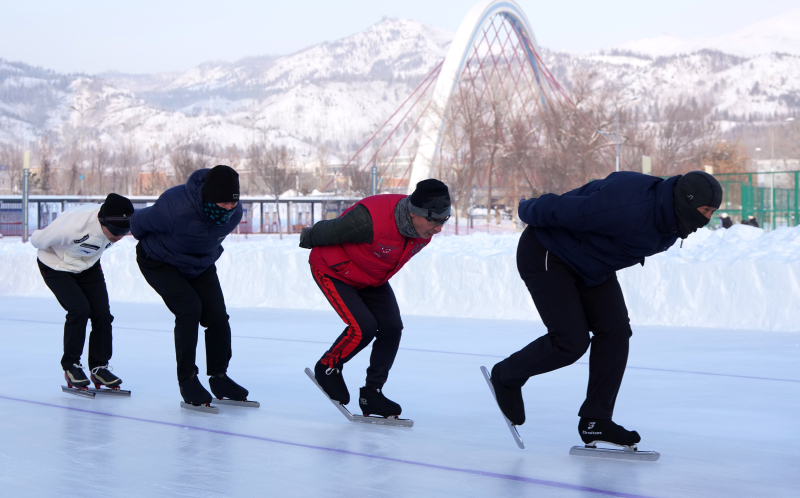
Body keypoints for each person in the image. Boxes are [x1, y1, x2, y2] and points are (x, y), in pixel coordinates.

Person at [490, 170, 722, 447]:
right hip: (547, 252)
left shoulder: (670, 221)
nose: (707, 219)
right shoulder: (627, 206)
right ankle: (506, 375)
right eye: (706, 209)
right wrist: (527, 208)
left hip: (592, 266)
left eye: (713, 212)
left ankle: (595, 421)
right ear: (687, 200)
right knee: (570, 342)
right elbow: (564, 209)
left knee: (616, 332)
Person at [299, 179, 450, 418]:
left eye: (444, 220)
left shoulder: (424, 232)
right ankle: (328, 366)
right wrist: (307, 237)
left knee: (392, 327)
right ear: (414, 213)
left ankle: (372, 393)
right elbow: (331, 230)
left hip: (370, 277)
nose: (439, 228)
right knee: (363, 328)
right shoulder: (369, 220)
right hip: (332, 269)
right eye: (434, 221)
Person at [131, 165, 250, 407]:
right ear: (208, 198)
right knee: (189, 310)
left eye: (233, 203)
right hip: (158, 261)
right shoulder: (172, 207)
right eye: (223, 203)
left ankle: (219, 377)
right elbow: (136, 224)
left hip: (199, 265)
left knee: (217, 317)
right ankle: (187, 380)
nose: (229, 209)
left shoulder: (235, 214)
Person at [31, 193, 135, 390]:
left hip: (88, 267)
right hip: (56, 266)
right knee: (80, 310)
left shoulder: (116, 226)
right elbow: (38, 240)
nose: (118, 237)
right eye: (113, 232)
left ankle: (99, 368)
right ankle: (71, 366)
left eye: (123, 233)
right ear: (101, 220)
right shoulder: (73, 225)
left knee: (102, 314)